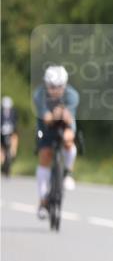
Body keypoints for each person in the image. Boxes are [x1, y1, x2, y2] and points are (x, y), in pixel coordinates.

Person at [33, 66, 79, 219]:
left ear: (65, 85)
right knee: (45, 154)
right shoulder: (39, 95)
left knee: (69, 142)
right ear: (46, 84)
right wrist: (55, 114)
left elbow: (69, 118)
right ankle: (42, 200)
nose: (56, 90)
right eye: (52, 87)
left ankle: (66, 173)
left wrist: (65, 120)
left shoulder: (72, 95)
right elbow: (46, 118)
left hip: (64, 125)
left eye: (60, 86)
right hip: (45, 128)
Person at [1, 96, 19, 176]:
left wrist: (13, 127)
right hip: (2, 133)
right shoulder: (1, 113)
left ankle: (12, 154)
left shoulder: (14, 112)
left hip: (11, 132)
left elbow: (15, 122)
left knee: (14, 140)